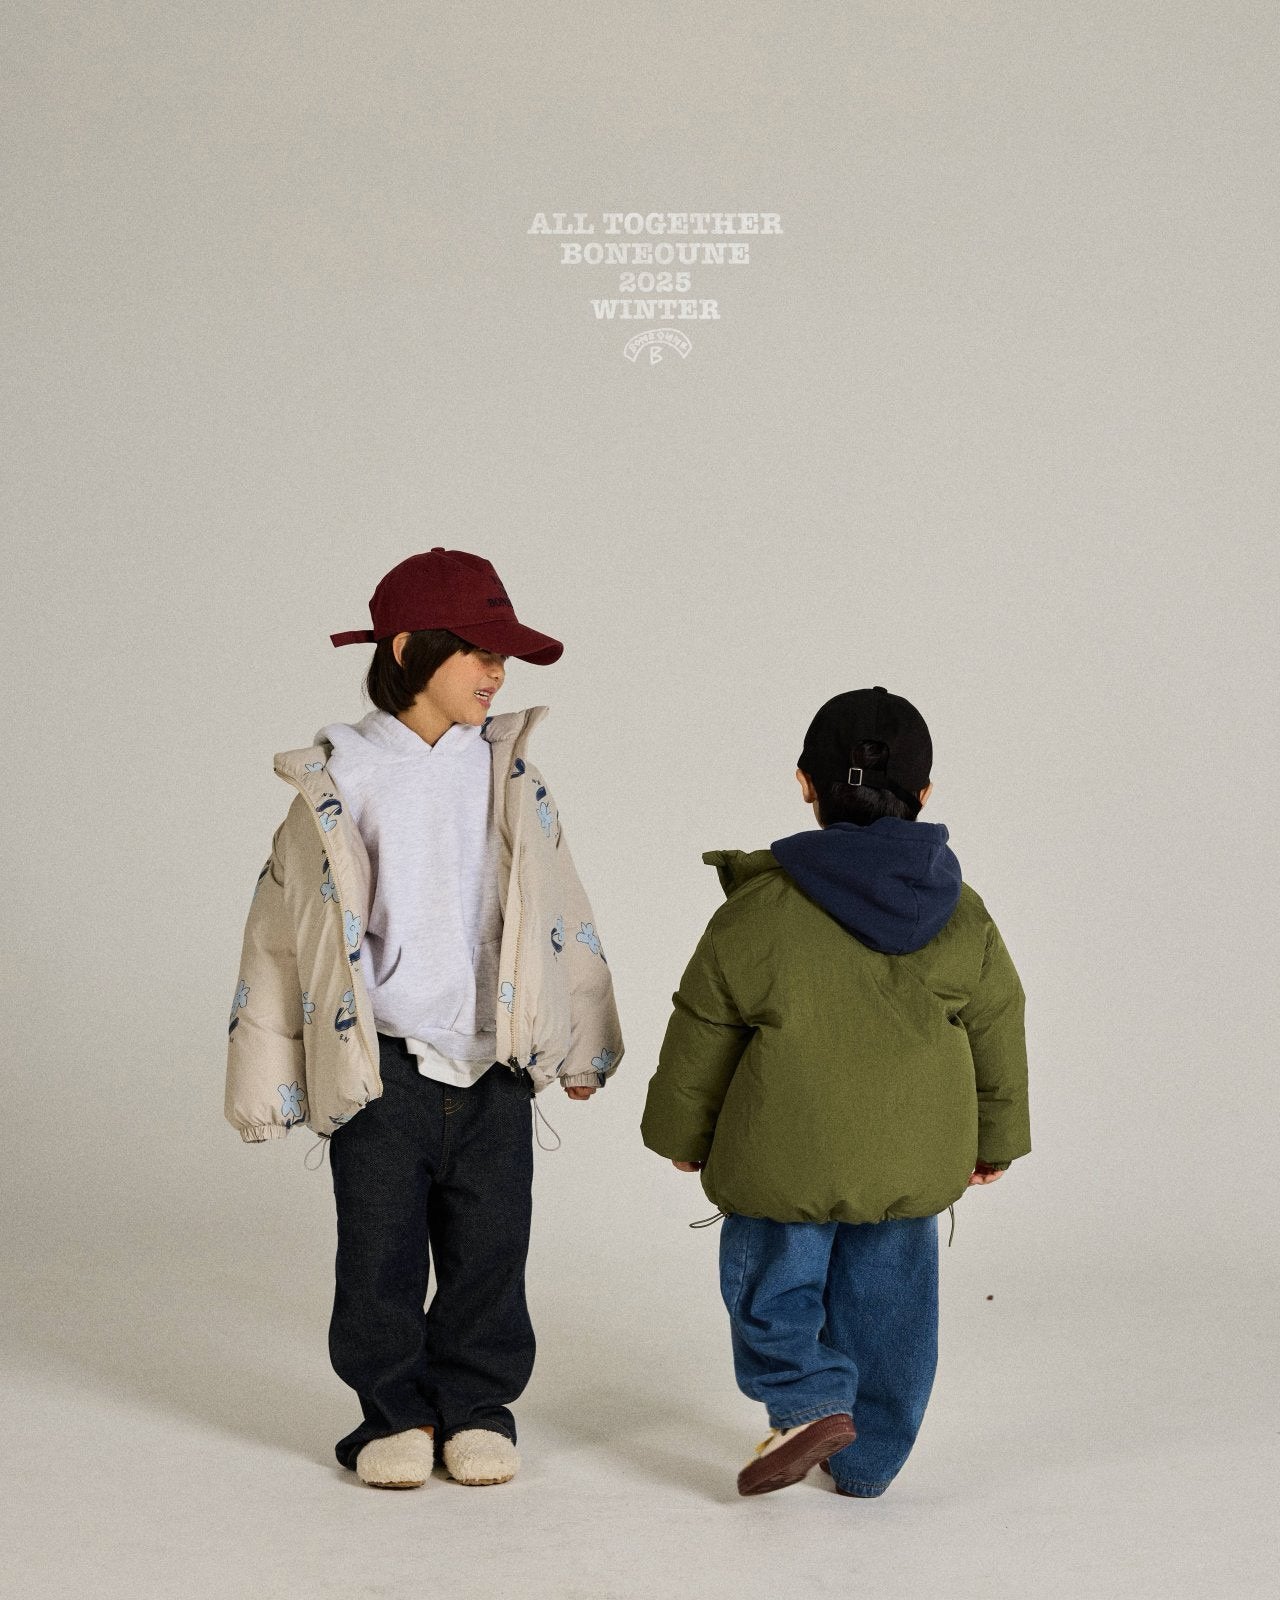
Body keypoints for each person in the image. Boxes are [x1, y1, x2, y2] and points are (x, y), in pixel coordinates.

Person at [225, 547, 623, 1489]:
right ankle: (393, 1415)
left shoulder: (511, 775)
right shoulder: (343, 780)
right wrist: (268, 1081)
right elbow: (282, 934)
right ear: (408, 650)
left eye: (503, 656)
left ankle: (477, 1409)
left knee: (492, 1254)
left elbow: (560, 908)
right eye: (478, 652)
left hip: (496, 1067)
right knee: (379, 1257)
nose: (497, 673)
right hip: (383, 1072)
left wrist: (584, 1042)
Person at [641, 685, 1028, 1498]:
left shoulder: (760, 909)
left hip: (784, 1150)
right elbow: (997, 1024)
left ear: (805, 784)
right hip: (913, 1157)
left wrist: (681, 1132)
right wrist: (996, 1140)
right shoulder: (965, 915)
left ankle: (811, 1400)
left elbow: (703, 1026)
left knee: (772, 1284)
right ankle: (869, 1462)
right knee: (893, 1306)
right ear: (925, 794)